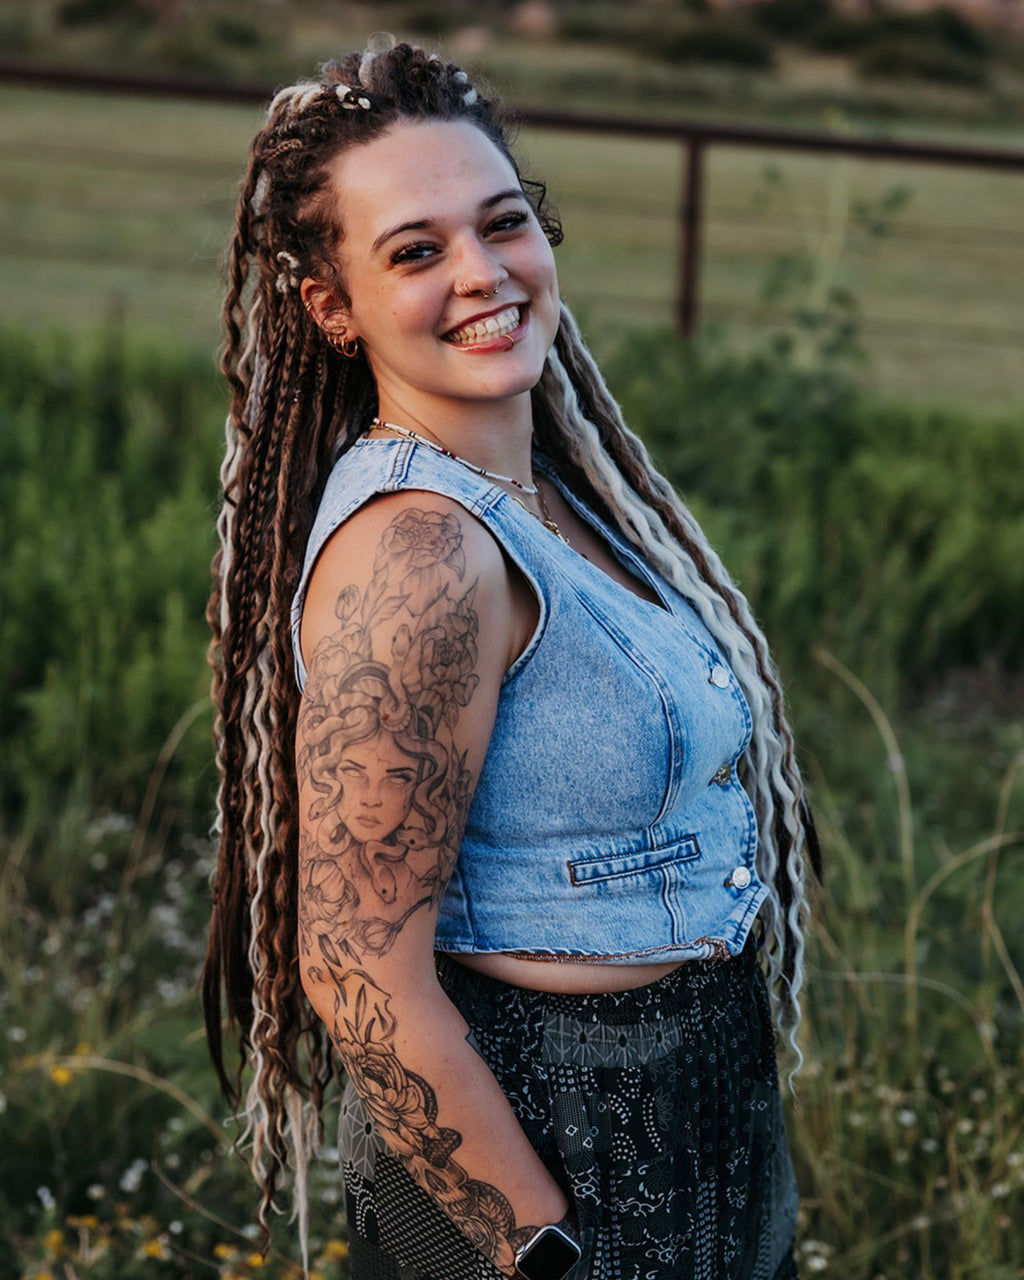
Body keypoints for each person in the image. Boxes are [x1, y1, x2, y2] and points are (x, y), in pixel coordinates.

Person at [202, 34, 818, 1280]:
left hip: (694, 1108)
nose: (483, 274)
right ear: (333, 305)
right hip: (551, 1132)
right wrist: (532, 1243)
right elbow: (356, 965)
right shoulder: (416, 554)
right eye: (415, 251)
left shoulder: (552, 496)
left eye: (503, 224)